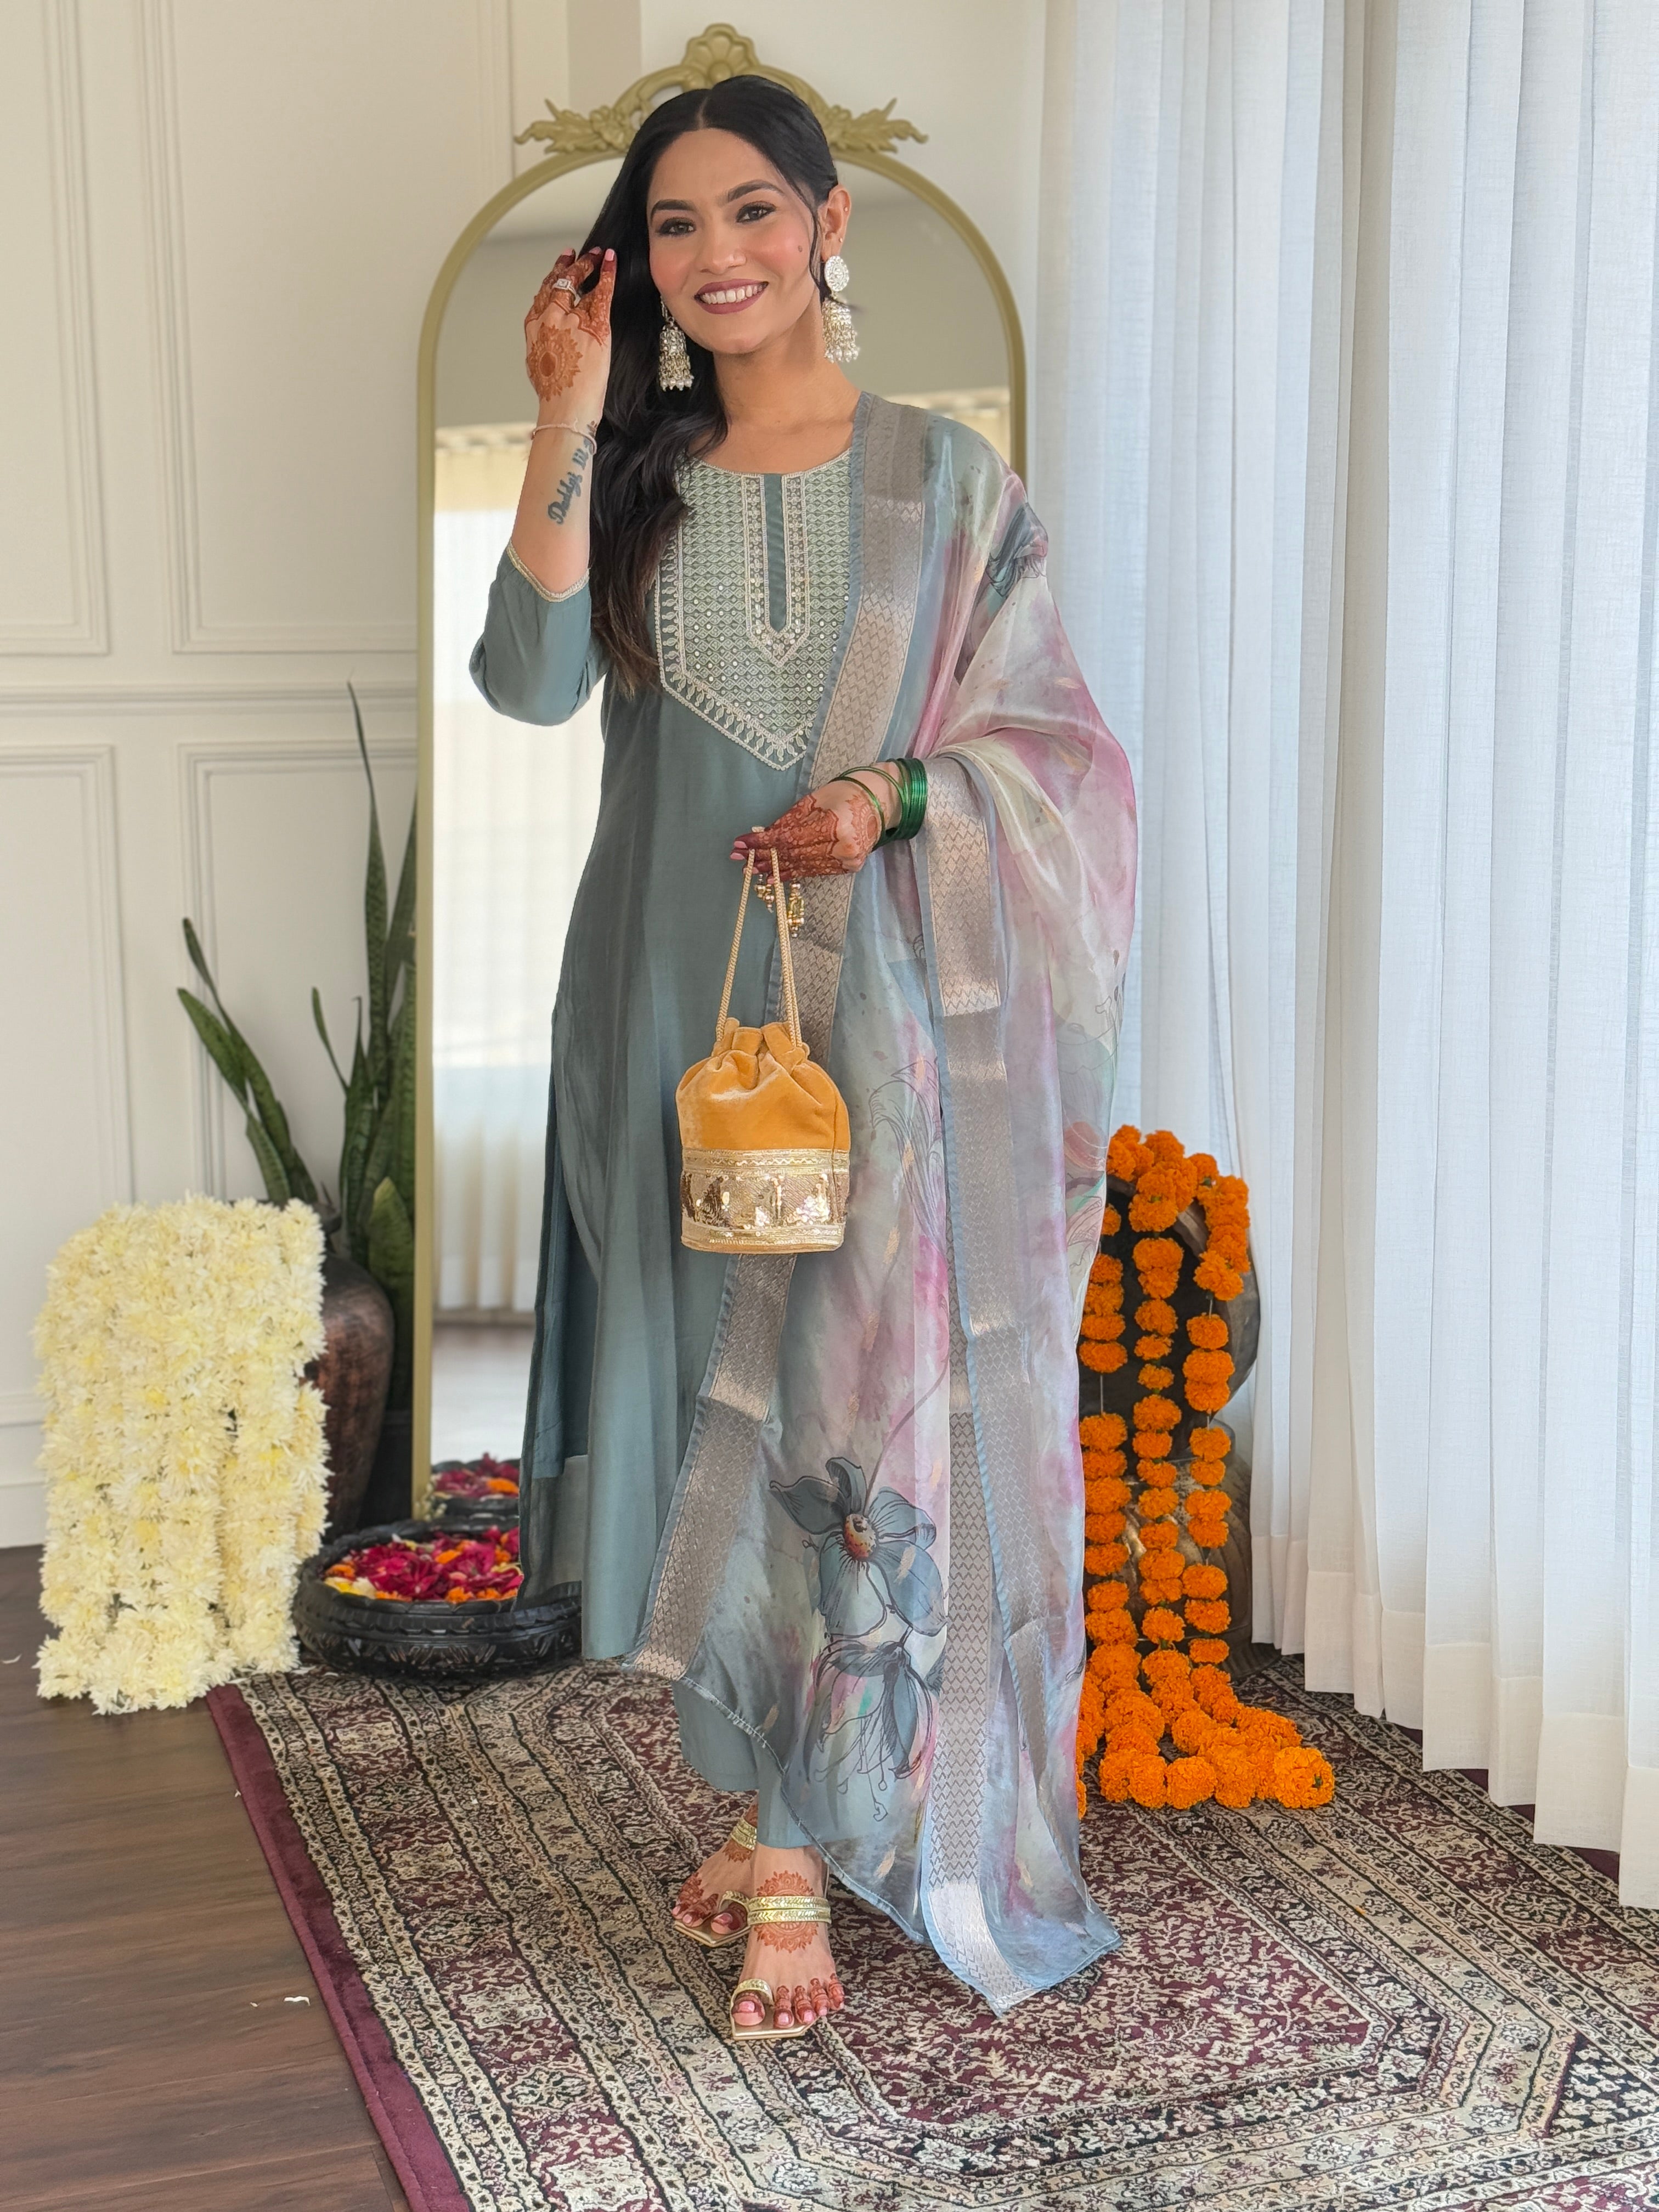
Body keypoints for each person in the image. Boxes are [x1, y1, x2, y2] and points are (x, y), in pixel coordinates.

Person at [471, 74, 1136, 2038]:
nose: (718, 256)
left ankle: (793, 1852)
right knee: (713, 1418)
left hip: (883, 1015)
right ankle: (781, 1792)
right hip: (667, 1010)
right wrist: (568, 417)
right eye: (676, 228)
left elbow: (1061, 761)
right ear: (637, 263)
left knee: (853, 1411)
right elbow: (522, 684)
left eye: (753, 211)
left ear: (829, 225)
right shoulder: (639, 470)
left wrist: (895, 795)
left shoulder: (948, 487)